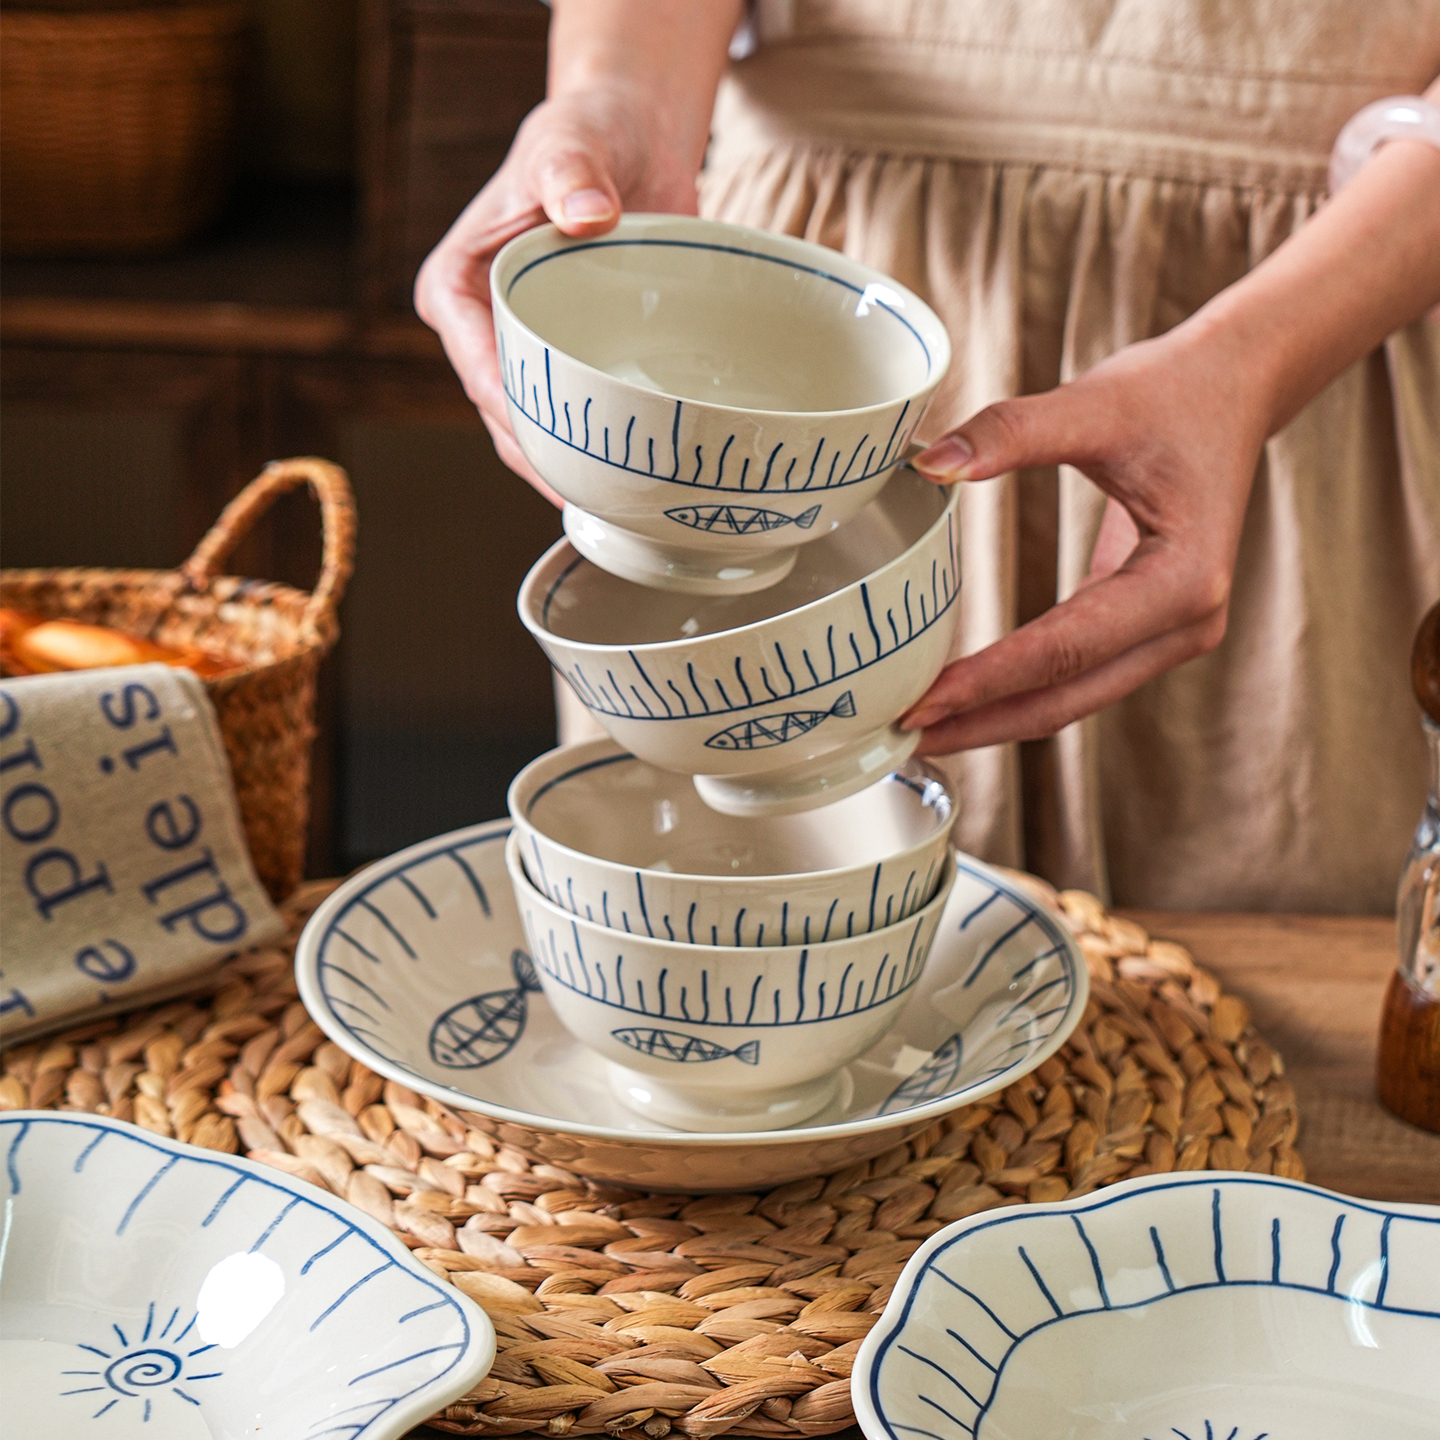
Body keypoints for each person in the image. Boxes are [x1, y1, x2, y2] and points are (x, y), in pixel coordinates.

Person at [416, 0, 1440, 912]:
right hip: (800, 343)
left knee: (1269, 1002)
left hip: (1314, 319)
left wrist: (1254, 365)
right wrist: (618, 95)